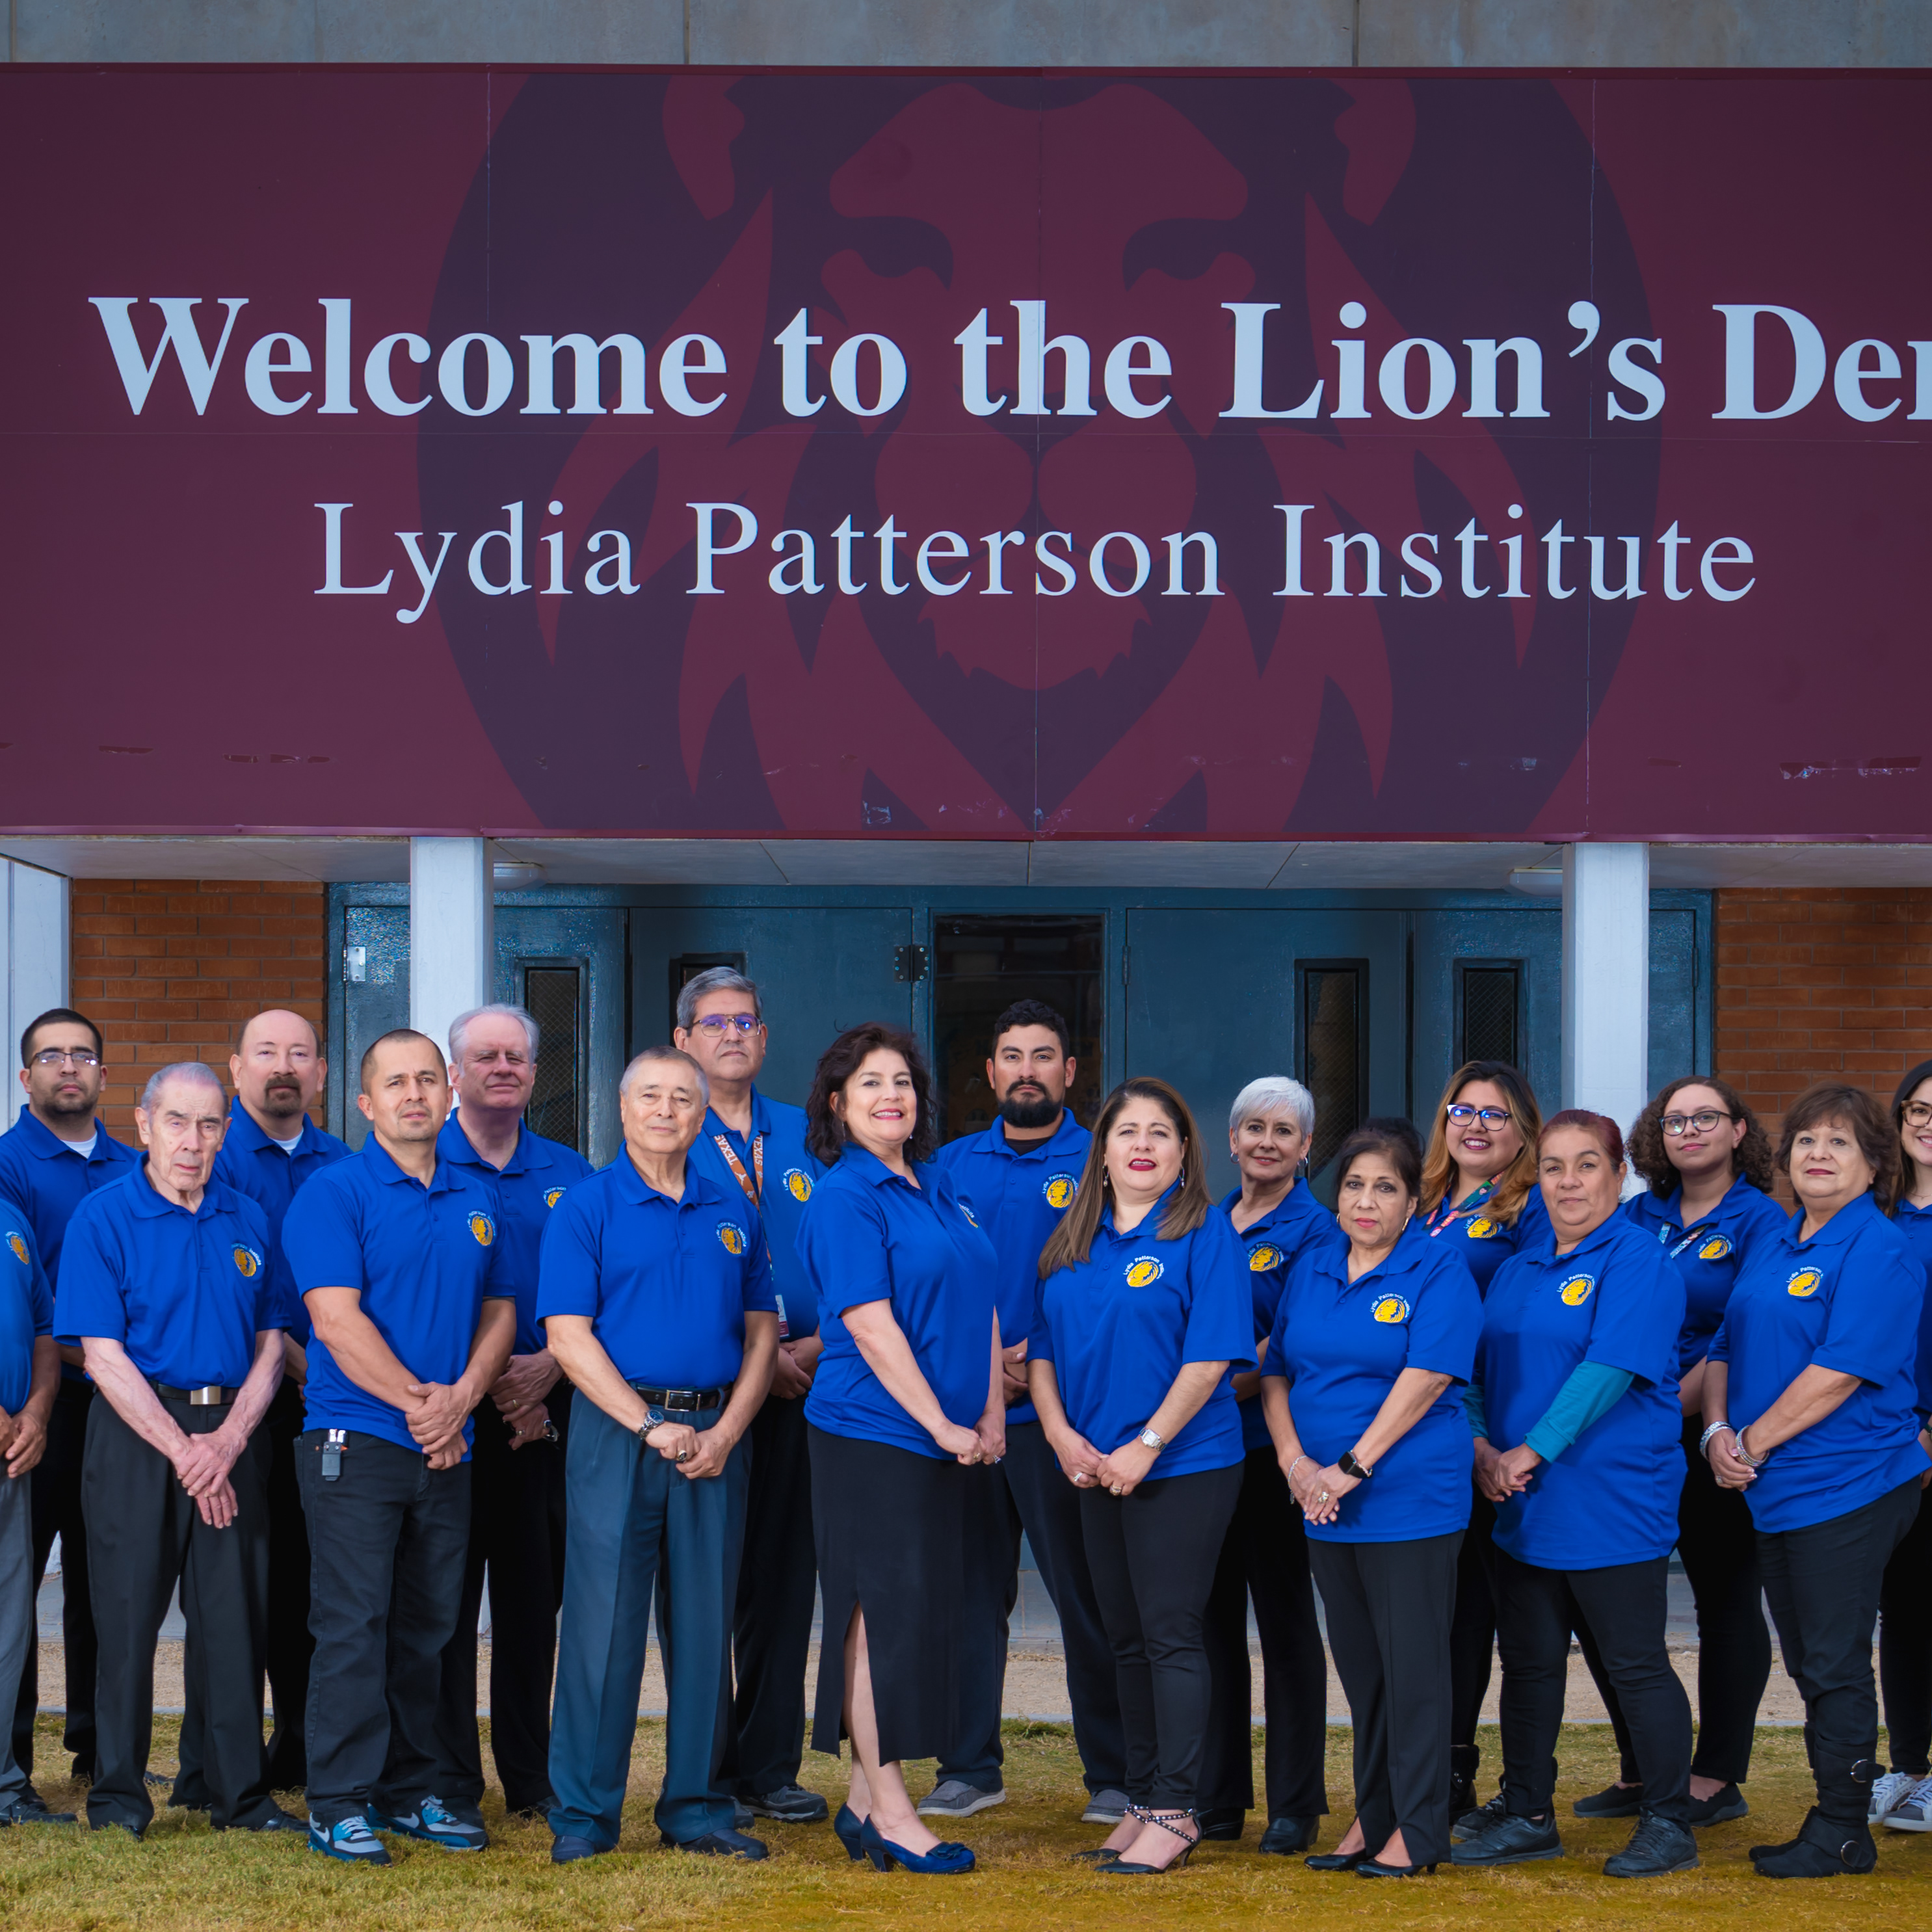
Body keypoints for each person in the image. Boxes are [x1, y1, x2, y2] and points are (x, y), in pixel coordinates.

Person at [281, 1028, 517, 1866]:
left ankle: (413, 1790)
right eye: (395, 1082)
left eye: (426, 1079)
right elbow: (335, 1320)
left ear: (449, 1092)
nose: (414, 1094)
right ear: (365, 1101)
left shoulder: (475, 1195)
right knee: (354, 1624)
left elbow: (500, 1311)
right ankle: (338, 1801)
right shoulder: (333, 1192)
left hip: (448, 1443)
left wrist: (463, 1399)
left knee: (431, 1627)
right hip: (358, 1441)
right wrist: (425, 1407)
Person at [539, 1046, 780, 1863]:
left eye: (682, 1097)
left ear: (702, 1112)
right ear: (623, 1107)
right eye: (650, 1095)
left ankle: (698, 1808)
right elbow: (567, 1337)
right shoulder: (586, 1206)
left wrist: (727, 1432)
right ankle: (583, 1815)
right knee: (602, 1626)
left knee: (706, 1626)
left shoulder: (732, 1209)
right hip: (618, 1436)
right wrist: (647, 1424)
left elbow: (762, 1334)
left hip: (713, 1438)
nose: (666, 1110)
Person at [1455, 1110, 1699, 1879]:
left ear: (1618, 1174)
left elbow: (1608, 1369)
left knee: (1633, 1664)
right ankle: (1528, 1811)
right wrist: (1483, 1450)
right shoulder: (1519, 1268)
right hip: (1522, 1500)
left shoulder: (1638, 1260)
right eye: (1553, 1167)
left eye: (1586, 1164)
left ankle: (1669, 1819)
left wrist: (1527, 1451)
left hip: (1610, 1498)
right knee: (1528, 1663)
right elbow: (1473, 1372)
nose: (1567, 1182)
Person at [53, 1063, 295, 1838]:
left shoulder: (248, 1216)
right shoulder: (103, 1217)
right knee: (126, 1619)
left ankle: (235, 1795)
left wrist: (228, 1439)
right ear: (145, 1123)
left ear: (225, 1132)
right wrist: (186, 1452)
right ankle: (118, 1799)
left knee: (234, 1620)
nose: (194, 1140)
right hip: (136, 1434)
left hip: (232, 1431)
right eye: (178, 1121)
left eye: (210, 1124)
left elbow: (271, 1343)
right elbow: (102, 1355)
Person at [1028, 1076, 1252, 1876]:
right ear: (1103, 1151)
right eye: (1127, 1131)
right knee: (1123, 1639)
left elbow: (1211, 1357)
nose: (1143, 1145)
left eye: (1160, 1132)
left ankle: (1177, 1808)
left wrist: (1147, 1444)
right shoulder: (1072, 1237)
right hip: (1093, 1467)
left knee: (1168, 1634)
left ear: (1184, 1151)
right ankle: (1143, 1794)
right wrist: (1060, 1437)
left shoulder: (1204, 1233)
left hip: (1182, 1464)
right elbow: (1040, 1350)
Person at [1706, 1081, 1930, 1879]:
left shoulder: (1880, 1249)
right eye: (1806, 1139)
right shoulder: (1778, 1238)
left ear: (1873, 1165)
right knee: (1806, 1657)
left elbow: (1840, 1369)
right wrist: (1715, 1431)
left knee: (1832, 1660)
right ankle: (1836, 1809)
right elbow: (1726, 1344)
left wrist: (1751, 1441)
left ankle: (1840, 1828)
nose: (1818, 1154)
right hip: (1776, 1485)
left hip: (1851, 1482)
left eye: (1840, 1142)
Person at [796, 1022, 1003, 1877]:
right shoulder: (845, 1195)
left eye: (903, 1082)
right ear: (837, 1104)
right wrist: (941, 1424)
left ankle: (860, 1799)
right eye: (871, 1083)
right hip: (871, 1435)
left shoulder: (939, 1184)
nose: (892, 1095)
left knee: (910, 1620)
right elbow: (869, 1323)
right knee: (876, 1621)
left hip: (943, 1441)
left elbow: (983, 1302)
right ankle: (890, 1809)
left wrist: (988, 1410)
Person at [1261, 1126, 1481, 1877]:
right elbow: (1276, 1370)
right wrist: (1296, 1464)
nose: (1366, 1200)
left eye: (1385, 1187)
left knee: (1412, 1671)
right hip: (1323, 1501)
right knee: (1363, 1672)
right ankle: (1374, 1814)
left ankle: (1418, 1832)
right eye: (1354, 1184)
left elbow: (1429, 1375)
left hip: (1408, 1499)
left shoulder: (1438, 1267)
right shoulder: (1315, 1264)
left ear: (1413, 1201)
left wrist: (1351, 1466)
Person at [931, 999, 1126, 1827]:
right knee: (967, 1601)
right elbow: (937, 1281)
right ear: (989, 1072)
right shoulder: (947, 1167)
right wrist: (984, 1371)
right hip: (969, 1421)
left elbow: (1112, 1280)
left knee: (1086, 1599)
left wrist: (1031, 1360)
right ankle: (968, 1767)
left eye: (1043, 1055)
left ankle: (1113, 1773)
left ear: (1070, 1071)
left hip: (1060, 1420)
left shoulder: (1105, 1159)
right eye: (1011, 1055)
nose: (1026, 1070)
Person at [1575, 1078, 1785, 1829]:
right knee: (1608, 1605)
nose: (1689, 1130)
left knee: (1724, 1602)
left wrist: (1668, 1411)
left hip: (1708, 1437)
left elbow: (1737, 1333)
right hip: (1628, 1440)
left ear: (1737, 1130)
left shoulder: (1761, 1221)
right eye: (1674, 1120)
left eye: (1705, 1118)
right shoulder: (1637, 1215)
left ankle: (1716, 1774)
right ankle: (1644, 1766)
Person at [175, 1009, 349, 1801]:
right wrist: (305, 1367)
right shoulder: (212, 1156)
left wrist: (329, 1374)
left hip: (334, 1404)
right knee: (235, 1589)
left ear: (321, 1072)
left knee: (314, 1582)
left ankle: (303, 1748)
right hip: (246, 1407)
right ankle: (211, 1763)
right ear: (236, 1066)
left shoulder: (343, 1163)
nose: (284, 1066)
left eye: (300, 1053)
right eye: (267, 1051)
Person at [674, 968, 828, 1828]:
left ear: (764, 1038)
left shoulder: (810, 1131)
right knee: (705, 1584)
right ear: (683, 1040)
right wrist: (757, 1358)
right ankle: (705, 1768)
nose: (732, 1033)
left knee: (782, 1583)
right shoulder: (667, 1128)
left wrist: (814, 1345)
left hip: (809, 1387)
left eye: (745, 1021)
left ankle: (770, 1766)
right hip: (712, 1396)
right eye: (714, 1022)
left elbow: (857, 1248)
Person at [431, 1005, 592, 1830]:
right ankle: (450, 1777)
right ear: (455, 1072)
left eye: (517, 1056)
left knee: (533, 1607)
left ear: (533, 1072)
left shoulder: (573, 1173)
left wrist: (549, 1371)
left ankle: (531, 1777)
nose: (503, 1067)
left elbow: (604, 1289)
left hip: (546, 1419)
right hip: (447, 1419)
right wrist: (487, 1382)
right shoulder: (423, 1163)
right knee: (445, 1607)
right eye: (486, 1055)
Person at [0, 1007, 139, 1800]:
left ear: (103, 1073)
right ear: (27, 1077)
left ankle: (96, 1748)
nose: (68, 1067)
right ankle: (12, 1758)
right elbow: (31, 1304)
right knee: (15, 1584)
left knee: (102, 1578)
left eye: (82, 1055)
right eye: (51, 1056)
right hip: (42, 1406)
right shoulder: (8, 1164)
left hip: (118, 1411)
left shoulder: (134, 1165)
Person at [1200, 1076, 1332, 1851]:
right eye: (1254, 1127)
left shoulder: (1316, 1231)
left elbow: (1284, 1343)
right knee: (1209, 1625)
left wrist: (1194, 1395)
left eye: (1285, 1131)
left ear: (1306, 1147)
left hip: (1269, 1452)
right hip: (1202, 1453)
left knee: (1284, 1625)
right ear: (1232, 1139)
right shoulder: (1205, 1221)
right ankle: (1217, 1799)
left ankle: (1294, 1803)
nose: (1267, 1141)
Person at [1415, 1059, 1547, 1826]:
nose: (1474, 1125)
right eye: (1461, 1110)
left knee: (1522, 1620)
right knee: (1454, 1617)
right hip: (1429, 1437)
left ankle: (1554, 1784)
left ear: (1522, 1129)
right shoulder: (1423, 1201)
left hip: (1503, 1438)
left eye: (1494, 1114)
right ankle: (1451, 1769)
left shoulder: (1531, 1207)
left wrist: (1490, 1445)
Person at [1873, 1057, 1932, 1830]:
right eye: (1916, 1109)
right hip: (1889, 1444)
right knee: (1904, 1607)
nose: (1927, 1122)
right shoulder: (1875, 1215)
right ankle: (1909, 1766)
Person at [0, 1206, 65, 1827]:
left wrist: (38, 1413)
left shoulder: (11, 1221)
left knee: (8, 1624)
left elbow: (45, 1330)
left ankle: (4, 1784)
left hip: (12, 1454)